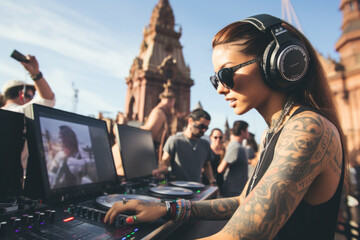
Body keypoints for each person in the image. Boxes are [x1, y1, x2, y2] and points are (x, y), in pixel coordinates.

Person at [105, 14, 347, 240]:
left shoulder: (307, 128)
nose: (220, 88)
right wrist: (167, 208)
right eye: (215, 79)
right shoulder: (274, 131)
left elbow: (238, 236)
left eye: (226, 73)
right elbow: (244, 203)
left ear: (274, 62)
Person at [1, 54, 55, 174]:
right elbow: (48, 100)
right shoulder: (19, 112)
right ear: (22, 93)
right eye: (31, 96)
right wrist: (36, 75)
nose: (32, 99)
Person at [152, 108, 217, 184]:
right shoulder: (175, 140)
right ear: (190, 121)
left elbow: (207, 165)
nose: (203, 130)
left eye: (206, 128)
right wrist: (161, 171)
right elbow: (164, 161)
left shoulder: (205, 144)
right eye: (201, 126)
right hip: (177, 189)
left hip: (197, 188)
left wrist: (212, 180)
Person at [141, 80, 175, 162]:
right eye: (174, 102)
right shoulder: (158, 112)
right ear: (170, 101)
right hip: (152, 153)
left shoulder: (160, 112)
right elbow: (149, 132)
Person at [217, 120, 249, 197]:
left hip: (238, 191)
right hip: (233, 192)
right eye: (247, 130)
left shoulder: (238, 146)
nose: (248, 133)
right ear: (242, 131)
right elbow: (220, 169)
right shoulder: (235, 146)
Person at [205, 128, 225, 193]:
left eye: (220, 137)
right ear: (211, 137)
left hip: (221, 184)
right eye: (215, 137)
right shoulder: (207, 151)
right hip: (207, 183)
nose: (218, 139)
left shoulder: (225, 152)